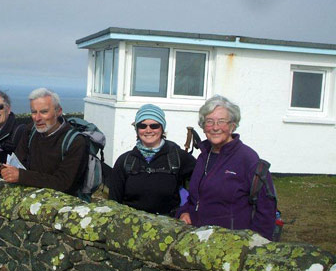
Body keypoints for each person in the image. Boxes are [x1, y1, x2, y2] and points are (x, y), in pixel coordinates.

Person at [178, 95, 276, 240]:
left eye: (221, 121)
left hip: (232, 244)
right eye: (209, 122)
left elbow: (266, 209)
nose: (215, 127)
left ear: (232, 125)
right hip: (199, 240)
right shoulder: (203, 156)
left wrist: (256, 245)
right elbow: (195, 197)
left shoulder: (248, 159)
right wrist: (185, 212)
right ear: (203, 126)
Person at [109, 104, 196, 216]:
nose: (148, 130)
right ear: (137, 129)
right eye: (142, 126)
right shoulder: (124, 161)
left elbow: (202, 186)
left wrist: (186, 211)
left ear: (162, 128)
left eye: (154, 126)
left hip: (169, 227)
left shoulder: (178, 157)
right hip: (131, 227)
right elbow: (113, 202)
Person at [0, 88, 87, 195]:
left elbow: (64, 183)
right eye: (33, 112)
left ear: (58, 112)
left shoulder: (76, 142)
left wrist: (22, 176)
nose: (37, 118)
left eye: (44, 112)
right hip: (31, 195)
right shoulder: (30, 130)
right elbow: (19, 162)